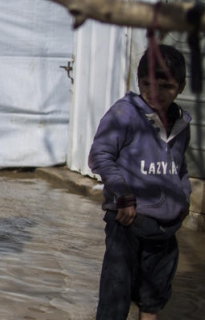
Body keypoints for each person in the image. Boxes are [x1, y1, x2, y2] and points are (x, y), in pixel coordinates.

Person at [88, 44, 191, 320]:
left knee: (154, 297)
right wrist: (123, 194)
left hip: (165, 227)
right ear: (138, 81)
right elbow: (99, 156)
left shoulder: (181, 123)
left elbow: (179, 167)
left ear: (181, 87)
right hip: (128, 222)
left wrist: (184, 197)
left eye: (166, 86)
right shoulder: (125, 114)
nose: (155, 93)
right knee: (116, 295)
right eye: (147, 84)